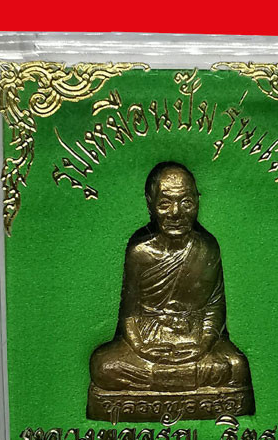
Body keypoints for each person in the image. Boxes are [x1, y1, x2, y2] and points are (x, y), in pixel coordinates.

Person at [90, 161, 252, 393]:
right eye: (165, 203)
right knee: (104, 366)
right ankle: (177, 379)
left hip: (194, 337)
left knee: (237, 366)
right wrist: (141, 347)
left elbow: (215, 306)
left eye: (186, 203)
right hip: (149, 339)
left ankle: (159, 380)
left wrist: (204, 344)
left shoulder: (206, 248)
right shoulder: (140, 252)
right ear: (150, 204)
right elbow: (129, 313)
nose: (176, 213)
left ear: (197, 202)